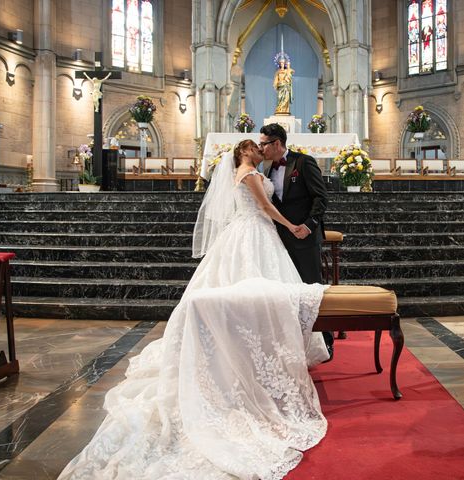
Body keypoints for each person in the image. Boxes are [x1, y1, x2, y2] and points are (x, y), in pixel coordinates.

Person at [57, 140, 330, 480]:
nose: (261, 151)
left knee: (247, 293)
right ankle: (254, 349)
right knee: (253, 293)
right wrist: (290, 225)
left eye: (265, 146)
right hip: (258, 233)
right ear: (247, 152)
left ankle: (249, 345)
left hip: (247, 234)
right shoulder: (251, 174)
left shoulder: (244, 172)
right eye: (256, 148)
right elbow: (264, 208)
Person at [259, 123, 334, 358]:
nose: (261, 148)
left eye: (264, 144)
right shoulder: (267, 169)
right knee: (289, 290)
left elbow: (320, 197)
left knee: (312, 288)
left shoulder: (303, 162)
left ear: (277, 144)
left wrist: (309, 226)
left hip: (305, 237)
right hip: (281, 239)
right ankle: (298, 342)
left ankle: (326, 341)